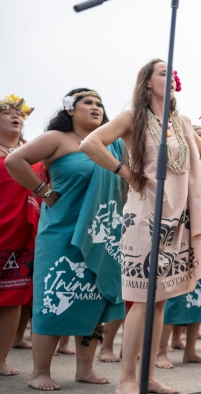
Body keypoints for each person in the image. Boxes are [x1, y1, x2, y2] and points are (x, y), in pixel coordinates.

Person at [80, 60, 201, 394]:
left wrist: (187, 185)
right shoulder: (132, 118)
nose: (170, 78)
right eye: (162, 73)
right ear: (147, 83)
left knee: (160, 300)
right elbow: (90, 144)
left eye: (172, 74)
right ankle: (126, 379)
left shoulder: (182, 122)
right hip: (144, 215)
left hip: (177, 217)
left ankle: (148, 377)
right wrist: (127, 173)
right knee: (143, 299)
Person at [6, 88, 126, 390]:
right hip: (61, 233)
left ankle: (85, 369)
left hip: (100, 234)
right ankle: (40, 372)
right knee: (53, 299)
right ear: (70, 109)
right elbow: (15, 161)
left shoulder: (110, 144)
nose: (96, 107)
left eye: (100, 103)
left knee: (94, 299)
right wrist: (43, 192)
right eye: (88, 102)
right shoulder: (57, 139)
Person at [155, 124, 201, 368]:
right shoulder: (180, 168)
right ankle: (161, 352)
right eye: (198, 136)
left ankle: (190, 351)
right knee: (175, 297)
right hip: (186, 241)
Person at [0, 94, 39, 377]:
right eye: (8, 112)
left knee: (13, 297)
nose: (16, 116)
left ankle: (0, 360)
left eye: (20, 113)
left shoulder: (32, 152)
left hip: (21, 235)